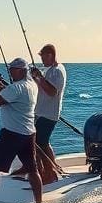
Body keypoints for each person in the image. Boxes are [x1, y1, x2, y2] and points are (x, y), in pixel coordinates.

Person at [0, 57, 41, 203]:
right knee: (32, 169)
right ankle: (39, 202)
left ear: (21, 70)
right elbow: (9, 96)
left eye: (12, 69)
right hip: (29, 134)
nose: (10, 72)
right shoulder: (32, 85)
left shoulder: (16, 88)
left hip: (12, 134)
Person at [29, 43, 67, 185]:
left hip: (49, 113)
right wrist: (35, 77)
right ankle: (52, 167)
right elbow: (41, 86)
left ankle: (49, 174)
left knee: (39, 143)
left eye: (43, 56)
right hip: (41, 112)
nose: (42, 59)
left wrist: (40, 77)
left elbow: (52, 91)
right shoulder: (48, 70)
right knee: (43, 142)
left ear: (50, 55)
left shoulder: (57, 71)